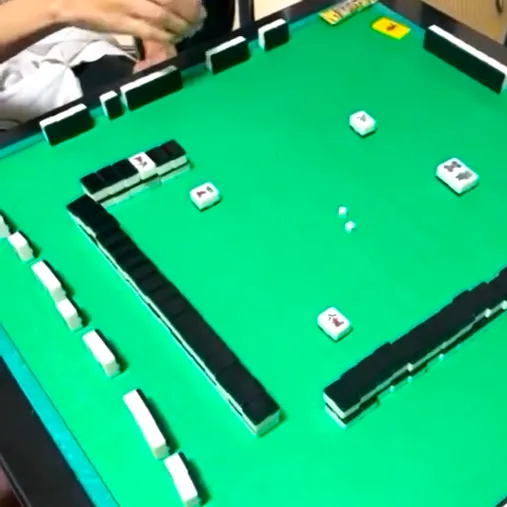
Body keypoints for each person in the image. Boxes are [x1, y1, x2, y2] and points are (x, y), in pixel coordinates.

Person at [0, 0, 234, 130]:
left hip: (83, 53)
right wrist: (60, 7)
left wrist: (156, 37)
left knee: (170, 122)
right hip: (9, 109)